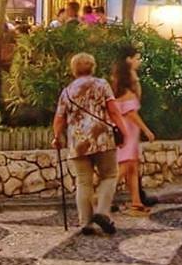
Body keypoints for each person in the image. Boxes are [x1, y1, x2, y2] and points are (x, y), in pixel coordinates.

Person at [52, 52, 128, 236]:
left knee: (83, 182)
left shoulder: (68, 91)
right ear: (92, 67)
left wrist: (56, 137)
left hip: (78, 141)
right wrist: (124, 131)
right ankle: (102, 212)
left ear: (74, 69)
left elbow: (59, 118)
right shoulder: (101, 84)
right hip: (102, 138)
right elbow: (114, 111)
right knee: (109, 175)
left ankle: (86, 223)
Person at [111, 45, 156, 215]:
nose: (139, 61)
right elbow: (130, 112)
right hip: (128, 129)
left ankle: (136, 203)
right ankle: (101, 198)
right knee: (125, 166)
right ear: (129, 60)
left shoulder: (122, 78)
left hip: (128, 129)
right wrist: (146, 130)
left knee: (132, 167)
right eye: (137, 58)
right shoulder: (127, 81)